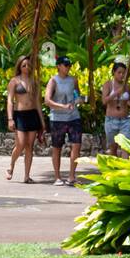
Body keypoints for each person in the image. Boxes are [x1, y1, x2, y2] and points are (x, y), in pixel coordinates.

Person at [44, 55, 85, 186]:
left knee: (76, 145)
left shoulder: (73, 80)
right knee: (57, 147)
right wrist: (62, 106)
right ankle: (57, 177)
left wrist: (80, 100)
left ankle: (72, 176)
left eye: (69, 65)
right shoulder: (53, 81)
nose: (68, 67)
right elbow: (47, 101)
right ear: (59, 66)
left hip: (74, 116)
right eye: (65, 65)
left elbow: (78, 95)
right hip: (58, 118)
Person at [5, 55, 43, 183]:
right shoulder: (14, 81)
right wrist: (10, 118)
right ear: (19, 67)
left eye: (28, 65)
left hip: (32, 114)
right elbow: (10, 101)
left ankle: (27, 175)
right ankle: (11, 165)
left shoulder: (34, 81)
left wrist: (42, 123)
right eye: (24, 65)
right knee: (20, 143)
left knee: (29, 146)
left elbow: (38, 102)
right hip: (19, 115)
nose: (27, 67)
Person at [101, 62, 130, 157]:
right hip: (111, 120)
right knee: (113, 148)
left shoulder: (127, 86)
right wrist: (116, 92)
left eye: (124, 73)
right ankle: (114, 170)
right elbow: (104, 101)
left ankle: (125, 170)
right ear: (114, 72)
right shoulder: (108, 84)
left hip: (125, 120)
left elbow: (128, 100)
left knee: (126, 147)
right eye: (119, 72)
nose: (122, 75)